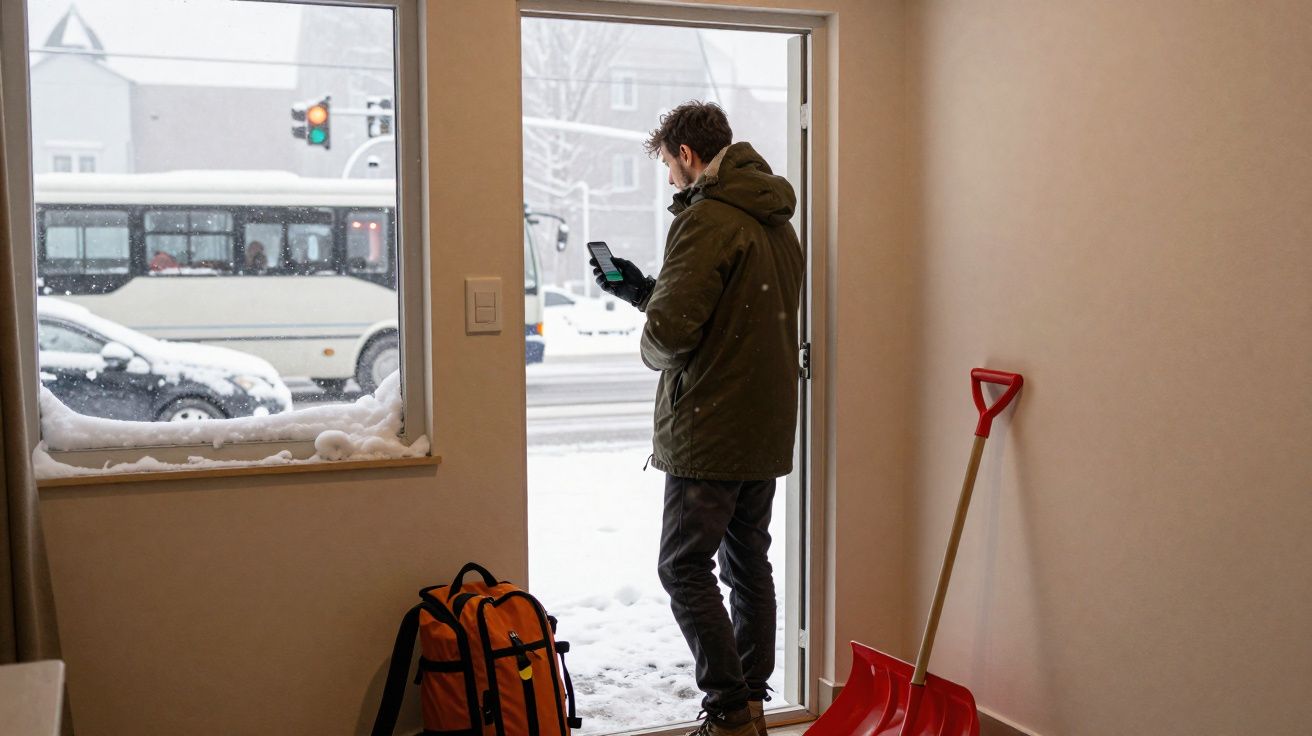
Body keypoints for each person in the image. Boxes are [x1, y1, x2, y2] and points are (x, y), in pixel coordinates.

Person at [593, 101, 803, 736]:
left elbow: (675, 331)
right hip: (763, 422)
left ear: (686, 155)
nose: (668, 180)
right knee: (747, 565)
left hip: (710, 425)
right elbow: (727, 308)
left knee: (682, 566)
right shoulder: (771, 219)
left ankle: (728, 712)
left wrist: (650, 345)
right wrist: (640, 289)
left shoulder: (706, 218)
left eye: (666, 164)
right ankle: (754, 704)